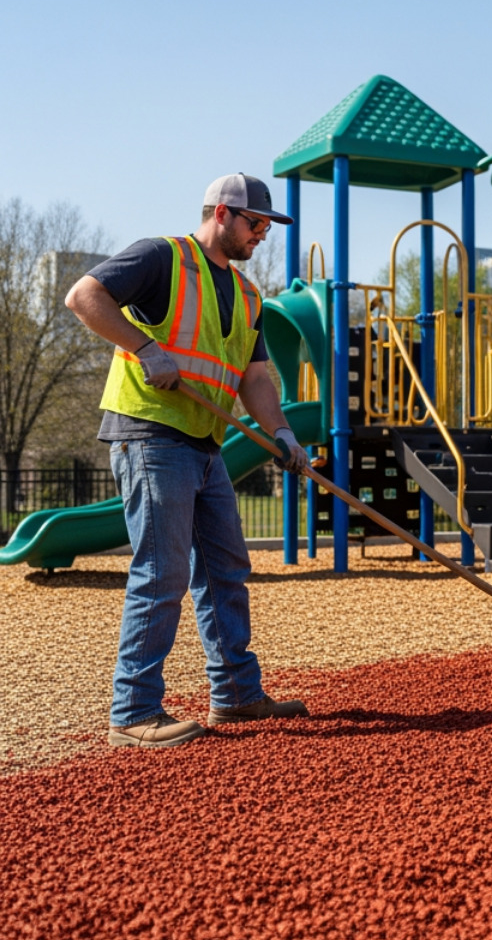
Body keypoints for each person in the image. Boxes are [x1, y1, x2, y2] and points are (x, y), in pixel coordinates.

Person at [65, 174, 313, 748]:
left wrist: (282, 432)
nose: (263, 234)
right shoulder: (162, 258)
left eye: (268, 227)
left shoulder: (249, 295)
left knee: (227, 569)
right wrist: (145, 347)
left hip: (205, 444)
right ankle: (133, 711)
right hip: (151, 434)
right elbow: (84, 297)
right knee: (163, 573)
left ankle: (236, 695)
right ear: (222, 213)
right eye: (256, 223)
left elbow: (254, 377)